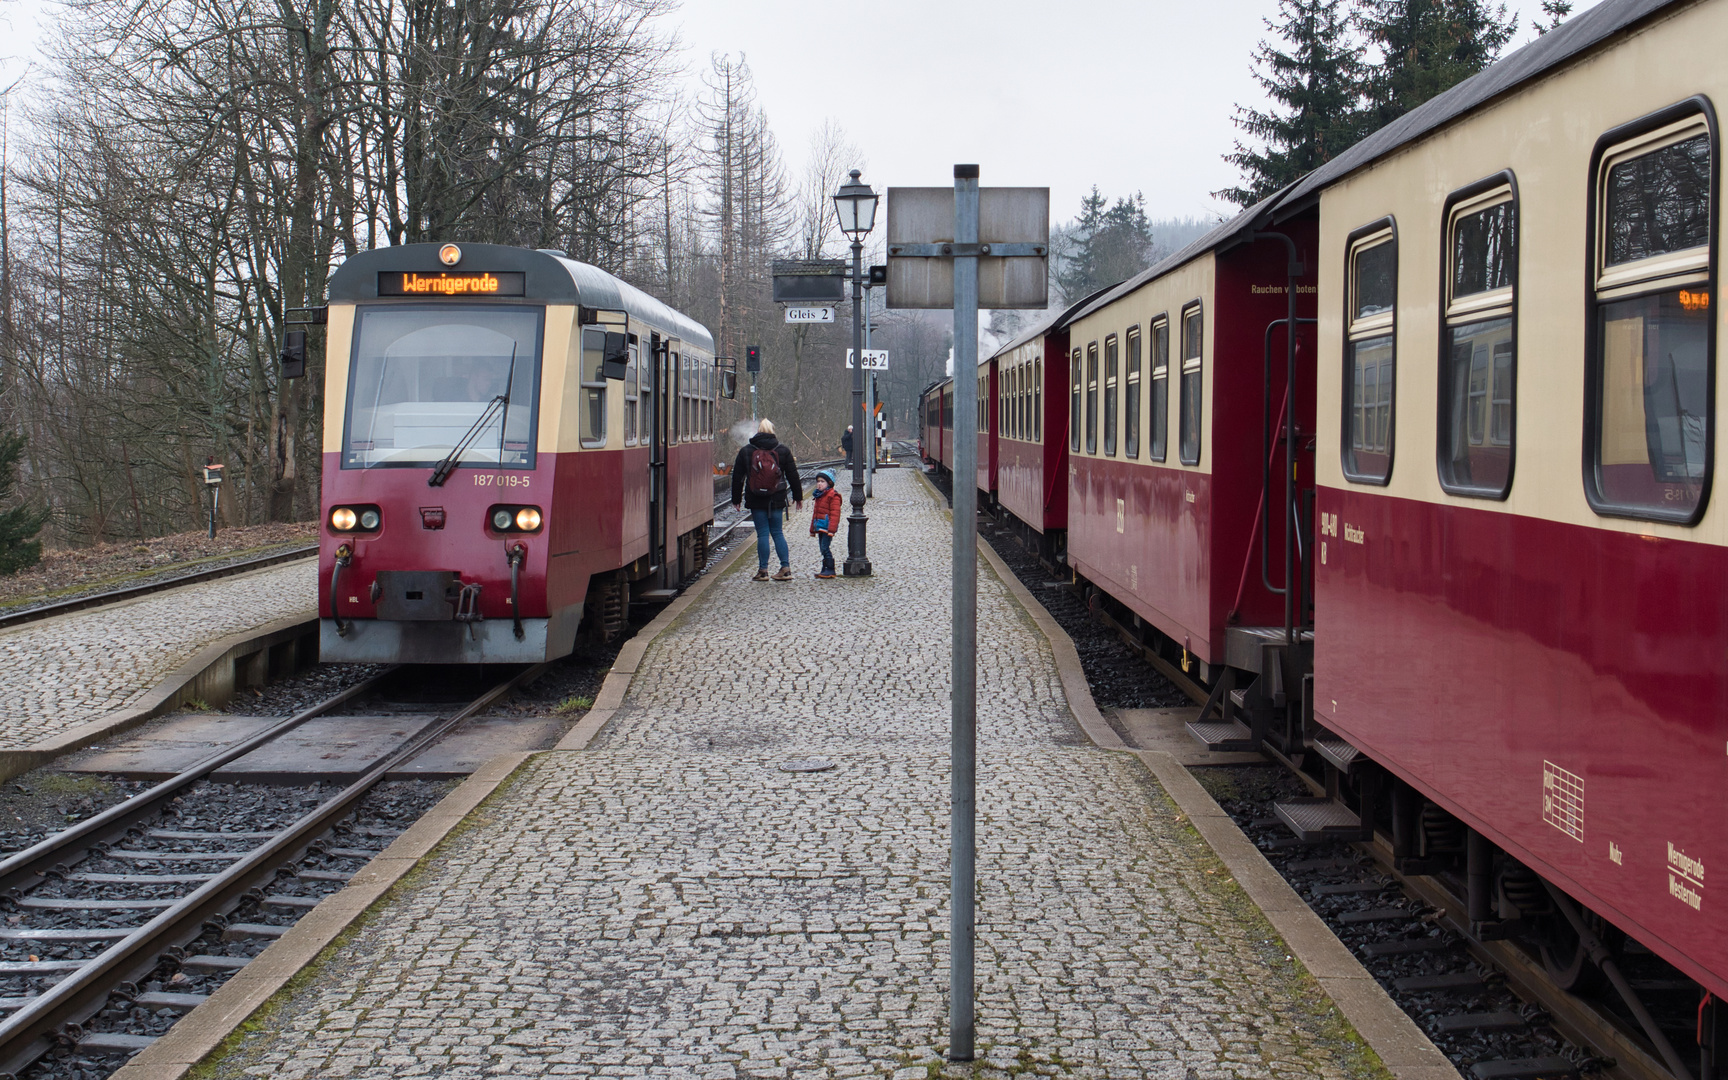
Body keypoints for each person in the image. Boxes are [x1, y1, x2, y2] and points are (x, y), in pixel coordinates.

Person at [731, 419, 803, 581]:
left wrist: (736, 499)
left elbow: (737, 477)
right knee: (777, 532)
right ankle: (785, 568)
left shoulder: (746, 451)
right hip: (776, 498)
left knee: (762, 534)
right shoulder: (783, 450)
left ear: (758, 431)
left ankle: (763, 571)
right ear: (773, 430)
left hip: (756, 498)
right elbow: (793, 475)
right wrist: (798, 497)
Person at [808, 469, 842, 579]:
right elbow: (815, 513)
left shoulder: (833, 496)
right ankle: (825, 568)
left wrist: (832, 529)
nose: (819, 484)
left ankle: (830, 568)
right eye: (818, 481)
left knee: (825, 547)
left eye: (822, 481)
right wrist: (812, 529)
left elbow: (835, 514)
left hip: (827, 527)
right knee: (822, 548)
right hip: (820, 526)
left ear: (829, 483)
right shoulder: (819, 496)